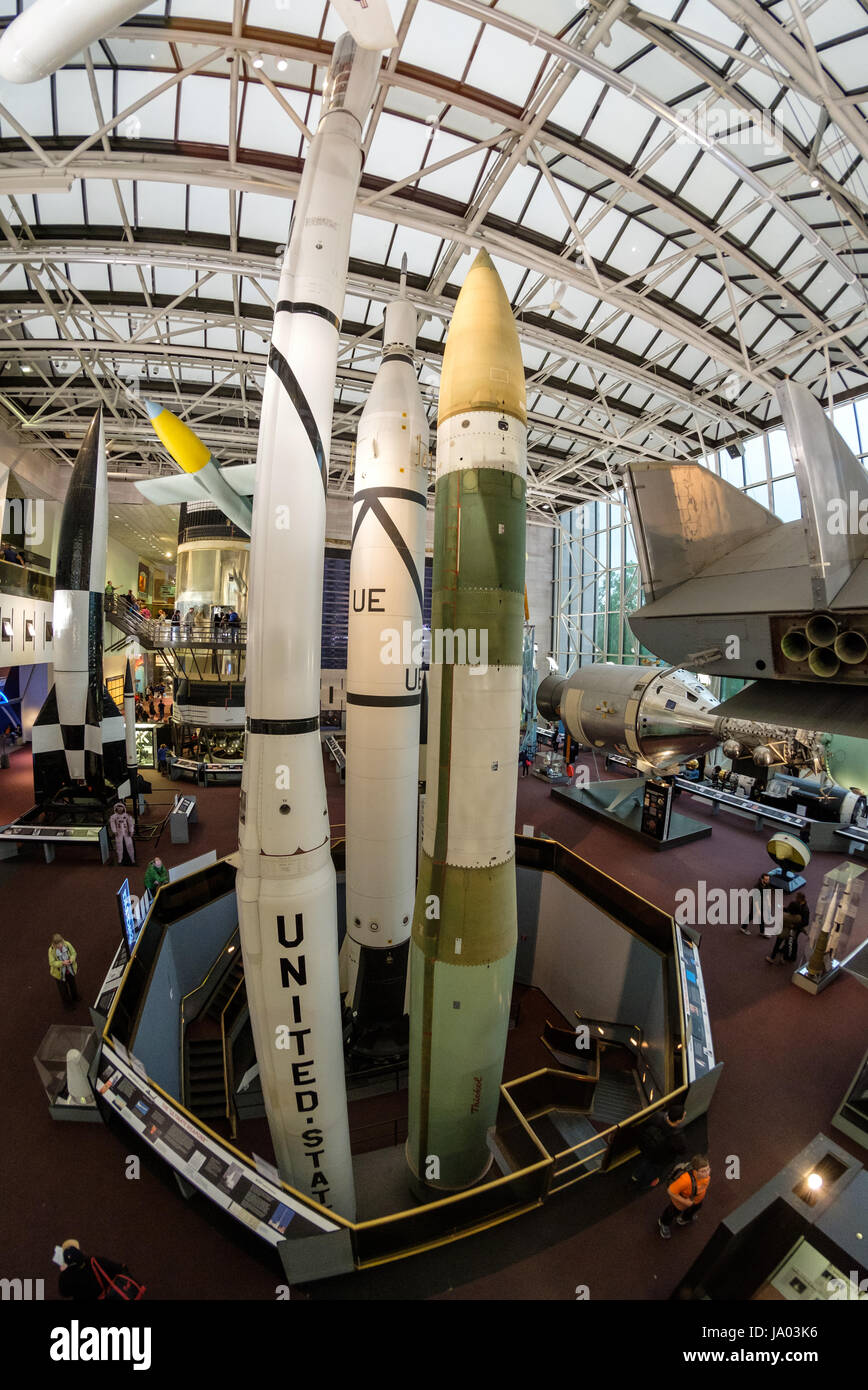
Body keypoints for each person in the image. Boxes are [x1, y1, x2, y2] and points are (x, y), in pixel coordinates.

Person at [57, 1239, 140, 1301]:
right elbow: (118, 1268)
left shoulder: (66, 1276)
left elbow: (64, 1293)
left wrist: (65, 1272)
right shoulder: (94, 1262)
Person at [631, 1103, 687, 1190]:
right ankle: (646, 1182)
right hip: (660, 1159)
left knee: (644, 1161)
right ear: (678, 1120)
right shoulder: (677, 1137)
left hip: (646, 1148)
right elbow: (682, 1151)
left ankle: (636, 1175)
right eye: (684, 1115)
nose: (685, 1114)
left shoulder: (657, 1116)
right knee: (653, 1170)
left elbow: (644, 1125)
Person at [658, 1155, 711, 1238]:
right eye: (703, 1171)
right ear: (695, 1171)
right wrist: (685, 1202)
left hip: (696, 1200)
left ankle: (684, 1219)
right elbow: (670, 1191)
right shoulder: (685, 1180)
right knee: (672, 1213)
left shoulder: (705, 1176)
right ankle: (663, 1223)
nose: (707, 1173)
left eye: (708, 1169)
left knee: (695, 1208)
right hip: (681, 1202)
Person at [766, 892, 810, 964]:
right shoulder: (799, 915)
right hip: (793, 930)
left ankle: (776, 957)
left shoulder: (804, 909)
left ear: (800, 899)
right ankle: (784, 957)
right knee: (789, 943)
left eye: (797, 898)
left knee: (783, 943)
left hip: (789, 930)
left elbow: (805, 922)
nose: (795, 899)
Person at [49, 934, 78, 1008]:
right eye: (58, 945)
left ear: (62, 940)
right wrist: (62, 963)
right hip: (59, 974)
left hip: (69, 971)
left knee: (73, 985)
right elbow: (52, 963)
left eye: (61, 943)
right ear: (54, 944)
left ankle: (75, 997)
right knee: (63, 990)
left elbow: (74, 953)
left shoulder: (67, 944)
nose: (60, 946)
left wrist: (71, 959)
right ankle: (68, 1005)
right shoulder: (51, 951)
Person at [741, 872, 774, 936]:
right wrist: (758, 910)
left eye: (768, 879)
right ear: (762, 879)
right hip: (756, 904)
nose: (768, 881)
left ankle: (743, 928)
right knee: (754, 916)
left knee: (757, 917)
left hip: (762, 903)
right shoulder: (757, 888)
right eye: (766, 880)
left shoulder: (767, 885)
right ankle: (744, 928)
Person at [109, 800, 136, 867]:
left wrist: (131, 831)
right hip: (118, 833)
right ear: (116, 808)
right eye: (118, 807)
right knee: (119, 846)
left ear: (124, 808)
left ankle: (132, 859)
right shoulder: (113, 817)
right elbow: (112, 824)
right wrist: (114, 831)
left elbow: (131, 824)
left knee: (129, 845)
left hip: (127, 833)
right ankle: (120, 859)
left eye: (121, 807)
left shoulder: (127, 816)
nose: (120, 809)